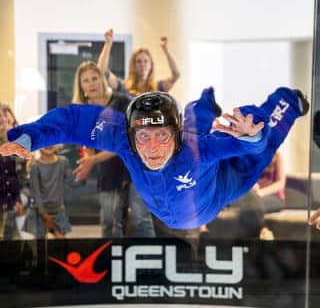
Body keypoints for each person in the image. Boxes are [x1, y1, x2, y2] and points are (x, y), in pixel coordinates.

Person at [0, 86, 309, 229]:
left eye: (163, 135)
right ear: (130, 133)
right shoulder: (121, 135)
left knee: (244, 151)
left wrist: (253, 135)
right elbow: (71, 121)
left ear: (175, 134)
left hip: (212, 198)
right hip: (167, 209)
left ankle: (286, 101)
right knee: (197, 120)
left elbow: (252, 150)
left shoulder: (196, 148)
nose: (152, 147)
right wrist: (29, 137)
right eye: (143, 137)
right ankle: (205, 100)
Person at [72, 61, 155, 237]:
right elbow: (90, 144)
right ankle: (111, 262)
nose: (91, 83)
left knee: (141, 218)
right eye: (85, 80)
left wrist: (93, 160)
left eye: (94, 78)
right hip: (109, 171)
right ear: (80, 86)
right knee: (110, 221)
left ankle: (151, 263)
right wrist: (87, 163)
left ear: (102, 79)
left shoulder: (123, 102)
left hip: (137, 166)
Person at [97, 29, 180, 97]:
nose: (142, 65)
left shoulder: (159, 88)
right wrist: (108, 44)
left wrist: (165, 50)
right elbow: (102, 71)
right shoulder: (123, 87)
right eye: (138, 61)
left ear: (151, 65)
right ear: (133, 65)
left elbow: (176, 75)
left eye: (146, 61)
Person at [24, 145, 78, 239]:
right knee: (40, 244)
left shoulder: (63, 162)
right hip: (39, 211)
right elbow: (36, 193)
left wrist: (85, 170)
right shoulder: (35, 166)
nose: (49, 145)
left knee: (61, 243)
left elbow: (73, 182)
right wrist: (44, 215)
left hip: (58, 209)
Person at [0, 103, 25, 239]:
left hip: (21, 192)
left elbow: (22, 178)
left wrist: (18, 198)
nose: (6, 125)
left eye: (10, 122)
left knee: (12, 209)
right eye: (4, 121)